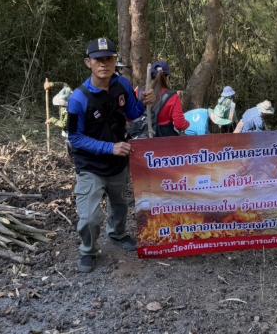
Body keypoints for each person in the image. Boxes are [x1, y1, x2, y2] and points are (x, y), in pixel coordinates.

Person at [66, 37, 146, 273]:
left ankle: (117, 234)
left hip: (118, 162)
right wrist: (109, 148)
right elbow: (75, 138)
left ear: (115, 60)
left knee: (119, 204)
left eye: (109, 58)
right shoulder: (78, 98)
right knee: (90, 217)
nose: (104, 63)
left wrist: (144, 101)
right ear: (88, 63)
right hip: (90, 165)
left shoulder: (122, 85)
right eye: (98, 59)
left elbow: (133, 112)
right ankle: (88, 250)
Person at [148, 61, 189, 137]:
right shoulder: (173, 97)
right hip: (165, 139)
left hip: (143, 136)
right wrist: (187, 124)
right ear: (167, 78)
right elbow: (180, 124)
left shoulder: (139, 92)